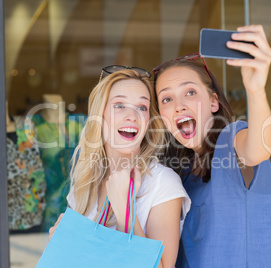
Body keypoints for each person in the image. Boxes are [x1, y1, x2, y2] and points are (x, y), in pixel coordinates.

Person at [152, 25, 271, 267]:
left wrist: (255, 90)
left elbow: (258, 150)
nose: (178, 105)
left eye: (189, 92)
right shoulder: (178, 173)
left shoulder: (231, 141)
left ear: (213, 102)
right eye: (167, 99)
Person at [49, 67, 191, 268]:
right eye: (119, 105)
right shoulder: (86, 179)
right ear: (100, 115)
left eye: (142, 107)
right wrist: (62, 243)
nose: (132, 115)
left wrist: (125, 211)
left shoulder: (163, 183)